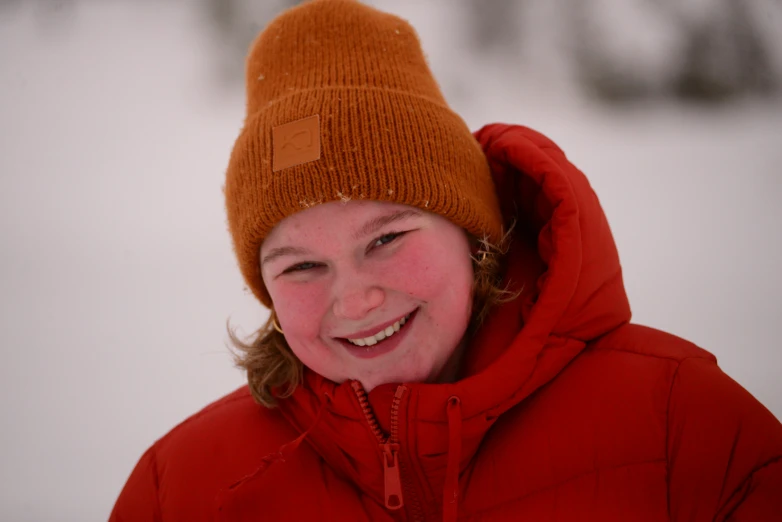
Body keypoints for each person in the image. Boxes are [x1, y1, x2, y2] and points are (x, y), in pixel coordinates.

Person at [109, 1, 782, 520]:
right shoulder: (183, 491)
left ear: (473, 232)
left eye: (386, 239)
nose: (357, 298)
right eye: (301, 267)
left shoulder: (679, 422)